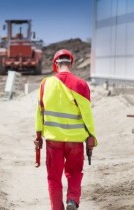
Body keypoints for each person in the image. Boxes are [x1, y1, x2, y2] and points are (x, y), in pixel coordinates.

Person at [34, 49, 97, 210]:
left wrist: (38, 135)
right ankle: (72, 200)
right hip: (75, 141)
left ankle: (57, 208)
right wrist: (91, 138)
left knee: (54, 178)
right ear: (71, 63)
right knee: (75, 173)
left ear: (55, 64)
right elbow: (87, 115)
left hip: (53, 140)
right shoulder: (81, 84)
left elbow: (40, 112)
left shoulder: (45, 84)